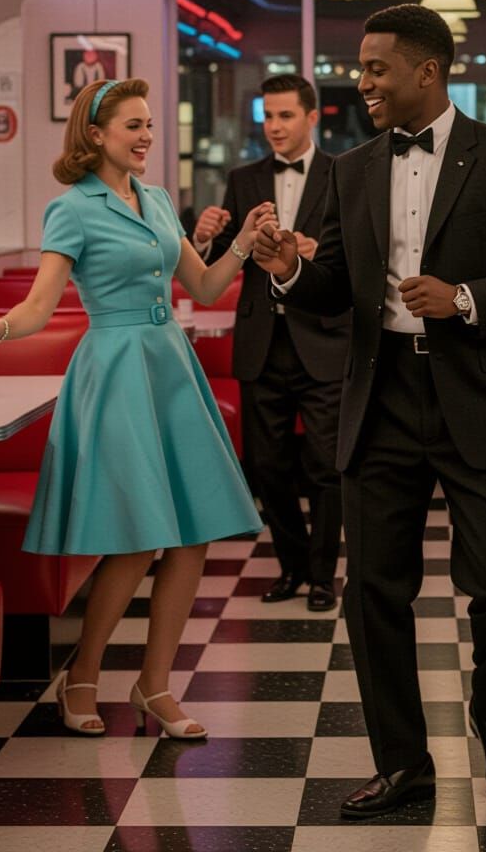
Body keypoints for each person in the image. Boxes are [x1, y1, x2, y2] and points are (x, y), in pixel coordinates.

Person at [254, 3, 486, 818]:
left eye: (375, 68)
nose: (360, 83)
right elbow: (333, 288)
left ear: (427, 71)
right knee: (374, 592)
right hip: (382, 395)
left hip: (476, 391)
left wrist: (465, 298)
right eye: (359, 69)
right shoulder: (352, 167)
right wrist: (287, 271)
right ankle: (404, 763)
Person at [0, 77, 268, 740]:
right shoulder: (71, 208)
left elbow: (205, 284)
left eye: (149, 124)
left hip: (169, 367)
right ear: (95, 135)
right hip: (116, 368)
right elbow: (41, 306)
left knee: (194, 534)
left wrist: (242, 241)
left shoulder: (157, 200)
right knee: (135, 538)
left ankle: (155, 685)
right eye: (132, 125)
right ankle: (84, 675)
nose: (146, 135)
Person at [192, 73, 349, 612]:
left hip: (324, 338)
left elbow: (360, 259)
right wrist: (205, 237)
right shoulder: (243, 177)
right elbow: (214, 271)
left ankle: (325, 575)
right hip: (262, 338)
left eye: (285, 115)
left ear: (311, 117)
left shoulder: (343, 174)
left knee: (327, 466)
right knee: (267, 466)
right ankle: (293, 567)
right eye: (268, 116)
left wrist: (316, 252)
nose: (274, 126)